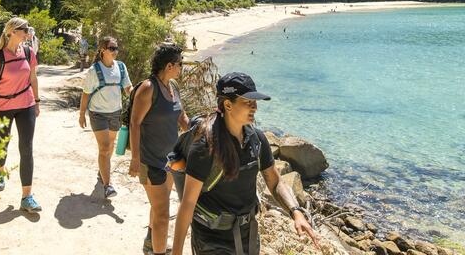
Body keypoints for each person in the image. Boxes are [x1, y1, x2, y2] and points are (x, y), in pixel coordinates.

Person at [171, 73, 320, 255]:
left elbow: (275, 182)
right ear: (228, 105)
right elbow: (187, 203)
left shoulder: (257, 139)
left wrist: (296, 211)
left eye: (255, 102)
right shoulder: (206, 146)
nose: (255, 108)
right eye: (248, 102)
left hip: (248, 234)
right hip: (211, 239)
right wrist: (176, 252)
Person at [129, 44, 190, 255]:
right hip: (150, 160)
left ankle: (151, 242)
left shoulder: (173, 87)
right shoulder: (148, 88)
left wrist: (202, 134)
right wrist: (135, 159)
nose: (182, 68)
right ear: (170, 65)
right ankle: (158, 251)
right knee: (163, 213)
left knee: (158, 206)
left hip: (171, 159)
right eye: (180, 64)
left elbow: (182, 118)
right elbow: (135, 123)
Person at [0, 17, 42, 213]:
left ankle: (27, 197)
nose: (28, 32)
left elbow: (33, 78)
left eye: (27, 29)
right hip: (1, 107)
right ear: (12, 32)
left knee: (26, 148)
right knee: (2, 144)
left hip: (25, 105)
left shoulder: (28, 52)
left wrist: (37, 101)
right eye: (24, 29)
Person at [79, 36, 132, 198]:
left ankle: (102, 171)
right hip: (98, 114)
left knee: (110, 147)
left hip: (115, 113)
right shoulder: (93, 71)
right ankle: (108, 185)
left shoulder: (121, 67)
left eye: (116, 48)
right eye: (112, 48)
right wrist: (82, 114)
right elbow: (86, 94)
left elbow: (128, 89)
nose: (115, 51)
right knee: (104, 147)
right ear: (102, 50)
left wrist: (140, 99)